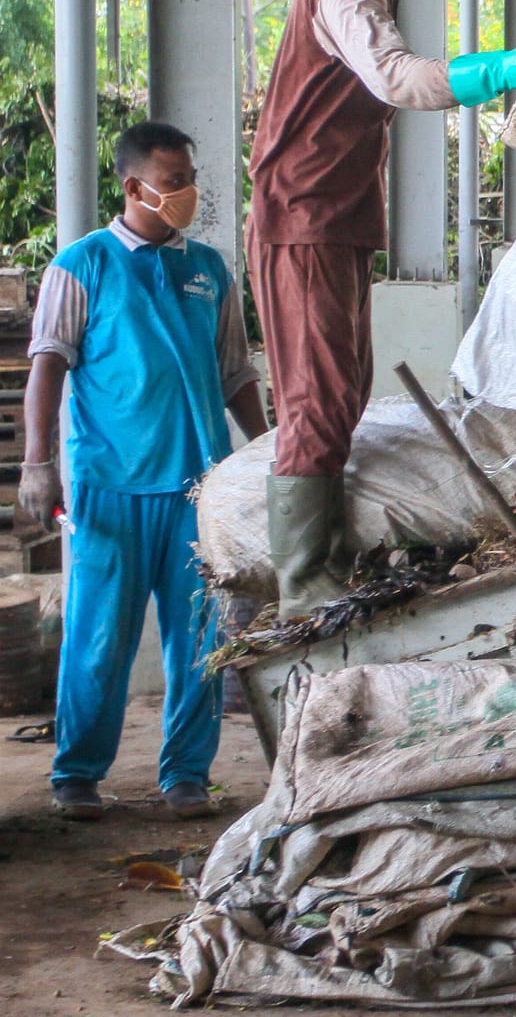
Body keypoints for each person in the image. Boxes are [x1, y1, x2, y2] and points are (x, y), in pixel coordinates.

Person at [249, 0, 516, 619]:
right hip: (303, 218)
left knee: (340, 398)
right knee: (314, 403)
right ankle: (306, 598)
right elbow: (398, 78)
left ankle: (330, 573)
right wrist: (496, 72)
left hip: (335, 218)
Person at [20, 122, 269, 821]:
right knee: (98, 636)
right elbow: (46, 367)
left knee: (199, 640)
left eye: (191, 176)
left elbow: (234, 373)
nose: (189, 191)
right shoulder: (83, 264)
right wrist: (39, 465)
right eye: (176, 180)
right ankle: (77, 774)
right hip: (109, 486)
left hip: (199, 488)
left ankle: (187, 773)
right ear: (134, 187)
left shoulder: (209, 270)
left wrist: (271, 450)